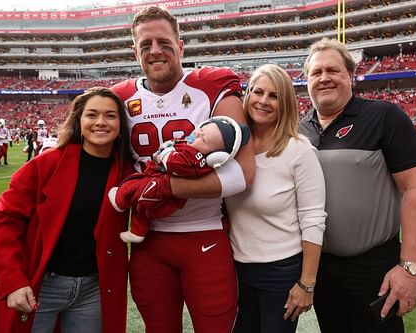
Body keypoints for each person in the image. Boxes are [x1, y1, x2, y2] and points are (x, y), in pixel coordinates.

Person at [111, 6, 255, 333]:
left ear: (180, 45)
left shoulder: (212, 85)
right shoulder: (119, 98)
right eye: (145, 45)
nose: (155, 51)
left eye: (163, 42)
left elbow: (243, 173)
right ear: (134, 51)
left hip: (205, 234)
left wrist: (165, 188)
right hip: (148, 244)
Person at [298, 38, 416, 333]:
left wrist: (410, 269)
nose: (324, 78)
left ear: (350, 76)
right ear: (306, 81)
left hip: (372, 267)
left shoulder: (384, 116)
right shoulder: (299, 128)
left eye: (333, 70)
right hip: (320, 266)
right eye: (316, 73)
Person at [0, 87, 133, 333]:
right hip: (41, 285)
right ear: (79, 121)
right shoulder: (46, 164)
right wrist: (11, 281)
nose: (101, 122)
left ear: (120, 125)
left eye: (111, 116)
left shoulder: (127, 172)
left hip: (94, 289)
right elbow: (3, 217)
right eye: (92, 115)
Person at [224, 64, 327, 333]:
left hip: (280, 273)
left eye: (274, 95)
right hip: (235, 271)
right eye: (258, 92)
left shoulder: (299, 150)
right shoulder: (232, 149)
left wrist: (307, 283)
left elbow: (314, 218)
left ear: (286, 104)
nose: (263, 101)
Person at [109, 115, 250, 243]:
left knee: (134, 190)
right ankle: (137, 232)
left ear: (215, 156)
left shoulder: (196, 158)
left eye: (204, 139)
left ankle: (120, 201)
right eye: (202, 129)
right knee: (143, 211)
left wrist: (166, 152)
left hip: (161, 189)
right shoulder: (193, 147)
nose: (197, 134)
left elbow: (174, 163)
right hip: (157, 178)